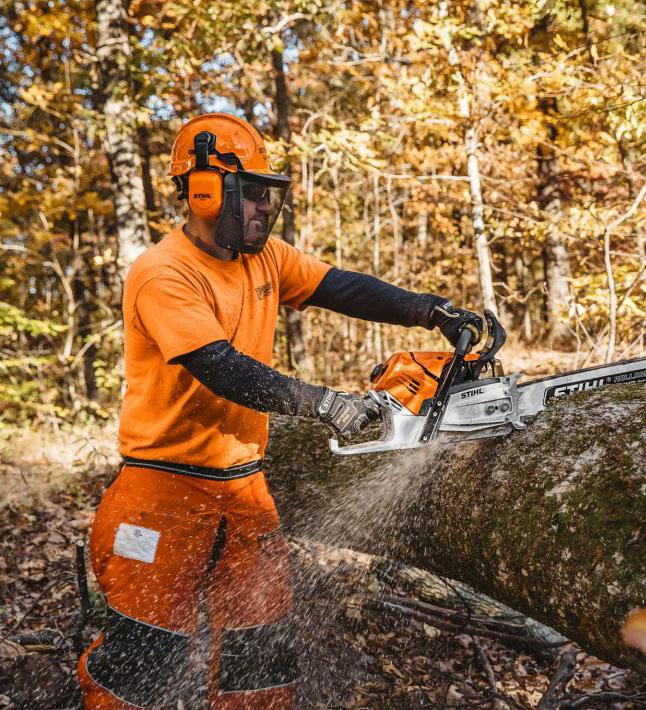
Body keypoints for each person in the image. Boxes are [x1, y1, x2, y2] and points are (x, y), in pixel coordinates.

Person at [77, 112, 482, 709]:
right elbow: (220, 367)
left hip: (245, 490)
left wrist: (430, 310)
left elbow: (340, 286)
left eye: (270, 195)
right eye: (254, 194)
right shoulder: (163, 272)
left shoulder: (263, 258)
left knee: (260, 657)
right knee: (142, 665)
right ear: (206, 192)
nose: (265, 208)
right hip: (161, 494)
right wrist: (323, 403)